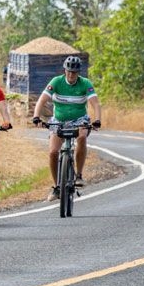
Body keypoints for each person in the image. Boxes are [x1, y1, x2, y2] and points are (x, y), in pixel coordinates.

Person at [31, 55, 102, 201]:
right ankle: (57, 186)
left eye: (74, 72)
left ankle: (79, 176)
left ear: (78, 73)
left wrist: (97, 120)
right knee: (53, 152)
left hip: (79, 120)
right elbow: (42, 100)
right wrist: (36, 117)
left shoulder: (85, 83)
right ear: (64, 70)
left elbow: (95, 104)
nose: (71, 75)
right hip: (59, 121)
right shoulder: (56, 81)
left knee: (82, 137)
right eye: (68, 71)